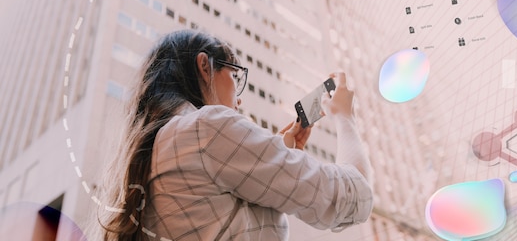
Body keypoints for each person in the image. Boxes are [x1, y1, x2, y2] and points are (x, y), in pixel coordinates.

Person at [99, 30, 373, 240]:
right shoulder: (206, 127)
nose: (239, 102)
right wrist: (345, 117)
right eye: (235, 77)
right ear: (204, 66)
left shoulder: (148, 155)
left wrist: (281, 152)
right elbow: (353, 195)